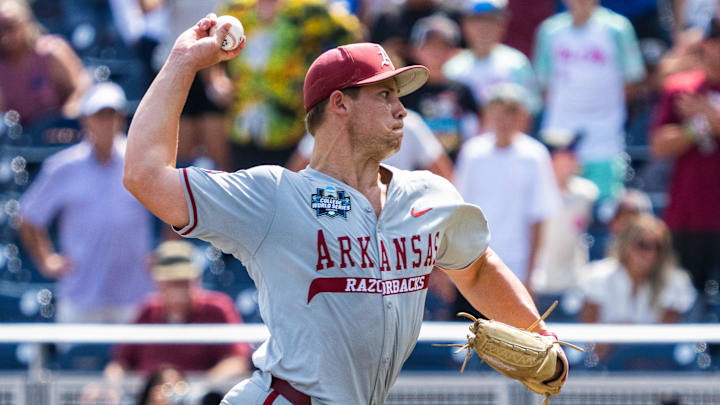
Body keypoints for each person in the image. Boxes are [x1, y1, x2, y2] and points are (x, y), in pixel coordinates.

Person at [122, 16, 567, 404]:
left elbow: (476, 268)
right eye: (385, 95)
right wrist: (182, 62)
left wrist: (539, 334)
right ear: (339, 104)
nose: (402, 110)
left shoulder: (429, 195)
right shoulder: (274, 196)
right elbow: (144, 176)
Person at [19, 81, 154, 323]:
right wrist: (47, 260)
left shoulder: (140, 163)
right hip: (80, 297)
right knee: (75, 360)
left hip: (134, 296)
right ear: (86, 120)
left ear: (121, 120)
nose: (106, 123)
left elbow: (174, 208)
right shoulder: (64, 167)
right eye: (100, 116)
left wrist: (163, 253)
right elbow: (28, 217)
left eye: (111, 115)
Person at [218, 0, 361, 169]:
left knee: (286, 191)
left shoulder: (310, 10)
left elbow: (352, 38)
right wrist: (217, 79)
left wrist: (327, 83)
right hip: (243, 124)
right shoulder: (235, 10)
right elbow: (209, 44)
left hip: (290, 125)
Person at [534, 0, 646, 202]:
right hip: (560, 140)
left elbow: (631, 81)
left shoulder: (618, 28)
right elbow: (544, 85)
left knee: (604, 213)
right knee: (559, 214)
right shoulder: (549, 31)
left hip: (605, 141)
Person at [454, 84, 560, 289]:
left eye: (511, 112)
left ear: (523, 116)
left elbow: (539, 217)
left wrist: (531, 273)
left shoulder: (535, 155)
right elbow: (459, 210)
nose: (504, 119)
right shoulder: (472, 152)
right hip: (475, 263)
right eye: (498, 111)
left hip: (516, 268)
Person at [105, 240, 250, 379]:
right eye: (172, 282)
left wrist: (199, 391)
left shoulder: (218, 308)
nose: (178, 289)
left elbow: (237, 361)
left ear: (196, 280)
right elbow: (120, 363)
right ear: (159, 283)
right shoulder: (148, 310)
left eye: (184, 281)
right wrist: (112, 386)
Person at [650, 17, 720, 305]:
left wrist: (709, 116)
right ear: (708, 44)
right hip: (689, 215)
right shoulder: (681, 89)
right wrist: (696, 127)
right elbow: (659, 145)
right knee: (685, 301)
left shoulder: (695, 100)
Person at [0, 0, 90, 133]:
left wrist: (66, 116)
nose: (5, 35)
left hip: (61, 133)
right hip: (20, 139)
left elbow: (80, 87)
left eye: (10, 27)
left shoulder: (51, 52)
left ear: (26, 23)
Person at [285, 109, 454, 180]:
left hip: (397, 224)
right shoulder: (331, 124)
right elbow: (294, 177)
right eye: (381, 92)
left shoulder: (411, 123)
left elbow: (445, 178)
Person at [443, 0, 541, 121]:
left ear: (503, 24)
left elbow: (530, 108)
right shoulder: (452, 67)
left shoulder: (516, 63)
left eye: (491, 20)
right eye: (477, 20)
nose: (484, 27)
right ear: (465, 25)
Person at [530, 130, 598, 298]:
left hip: (573, 287)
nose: (575, 156)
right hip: (536, 285)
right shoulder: (529, 194)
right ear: (550, 159)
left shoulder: (586, 194)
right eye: (568, 152)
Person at [403, 13, 481, 160]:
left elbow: (474, 131)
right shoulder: (407, 90)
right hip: (416, 169)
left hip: (456, 166)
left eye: (443, 45)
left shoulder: (463, 90)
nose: (436, 51)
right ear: (414, 49)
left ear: (454, 51)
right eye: (429, 45)